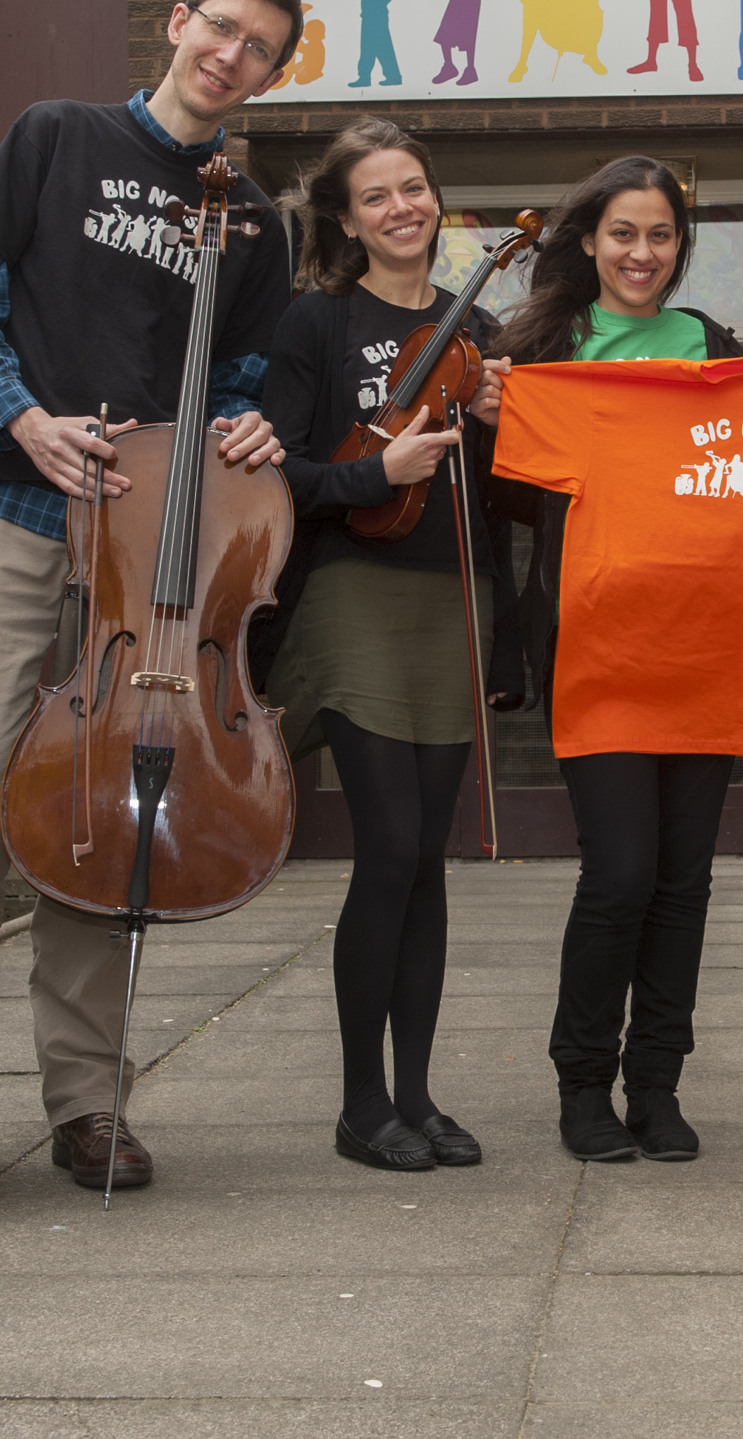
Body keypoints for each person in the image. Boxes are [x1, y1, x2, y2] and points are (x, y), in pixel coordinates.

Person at [0, 0, 299, 1199]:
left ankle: (84, 1102)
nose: (229, 56)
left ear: (275, 78)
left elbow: (234, 380)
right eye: (219, 28)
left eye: (260, 49)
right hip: (3, 501)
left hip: (140, 553)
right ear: (178, 24)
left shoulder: (256, 224)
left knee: (97, 809)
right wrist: (23, 418)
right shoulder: (55, 139)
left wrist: (247, 430)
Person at [260, 119, 521, 1173]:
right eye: (377, 196)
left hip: (451, 598)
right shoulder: (314, 325)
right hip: (354, 595)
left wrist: (505, 428)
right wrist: (376, 474)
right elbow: (274, 471)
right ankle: (361, 1101)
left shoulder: (482, 330)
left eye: (414, 188)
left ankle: (416, 1093)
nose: (401, 207)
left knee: (429, 864)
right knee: (392, 847)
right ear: (346, 217)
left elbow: (507, 499)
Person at [494, 156, 743, 1162]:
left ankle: (659, 1086)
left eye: (661, 235)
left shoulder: (716, 350)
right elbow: (512, 501)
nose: (643, 253)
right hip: (594, 647)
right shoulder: (547, 354)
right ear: (590, 242)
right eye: (624, 233)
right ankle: (582, 1084)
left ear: (680, 249)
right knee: (621, 873)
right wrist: (495, 417)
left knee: (684, 879)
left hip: (704, 647)